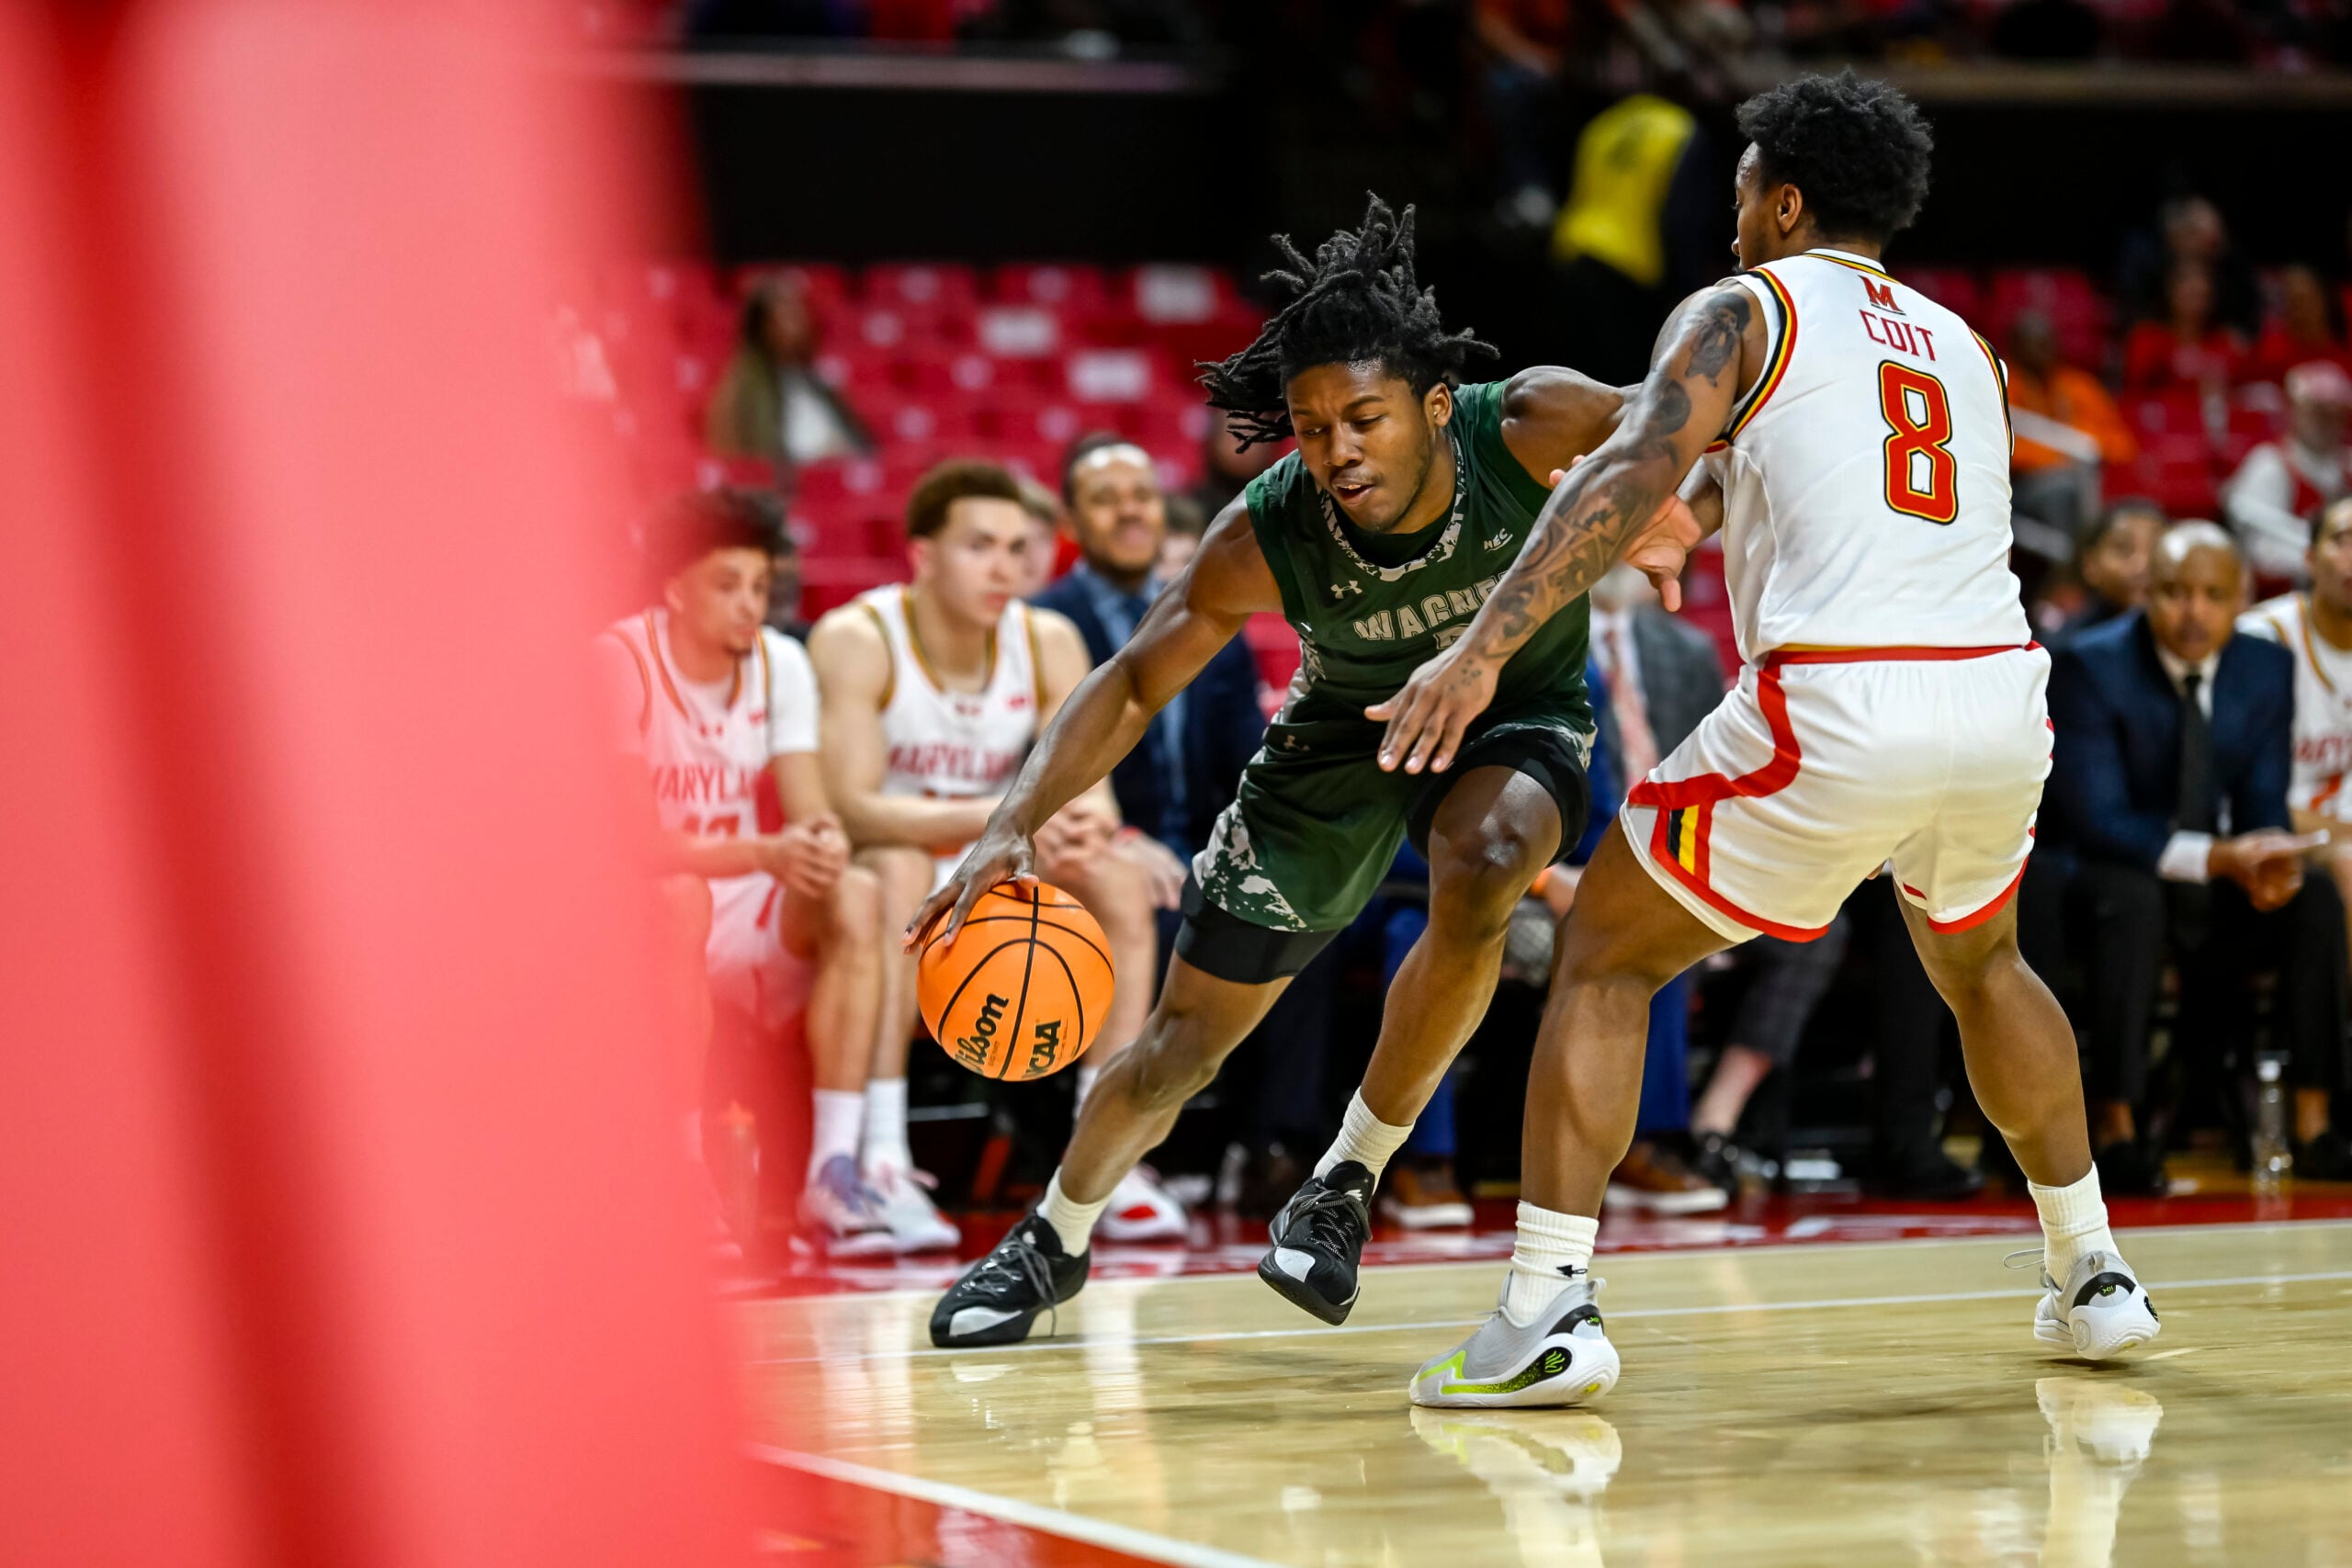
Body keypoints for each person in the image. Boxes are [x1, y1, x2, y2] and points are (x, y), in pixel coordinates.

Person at [1375, 72, 2164, 1408]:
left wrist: (1480, 645)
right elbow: (1822, 491)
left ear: (1784, 199)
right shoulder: (1963, 343)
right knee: (1984, 962)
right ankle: (2093, 1269)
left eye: (1738, 187)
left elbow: (1633, 464)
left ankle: (1546, 1303)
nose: (1727, 213)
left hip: (1844, 700)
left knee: (1606, 950)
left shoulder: (1744, 306)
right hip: (1995, 703)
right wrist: (1703, 511)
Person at [913, 196, 1700, 1348]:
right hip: (1343, 736)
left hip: (1515, 712)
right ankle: (1053, 1235)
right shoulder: (1267, 527)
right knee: (1183, 1048)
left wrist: (1680, 512)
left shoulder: (1530, 423)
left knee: (1485, 863)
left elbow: (1684, 430)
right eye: (1311, 424)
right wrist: (1011, 820)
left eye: (1365, 418)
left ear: (1436, 406)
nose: (1335, 450)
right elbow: (1133, 681)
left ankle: (1344, 1180)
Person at [805, 460, 1180, 1250]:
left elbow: (1092, 787)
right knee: (899, 875)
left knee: (1116, 881)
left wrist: (1087, 827)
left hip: (999, 866)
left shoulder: (1047, 639)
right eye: (979, 545)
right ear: (923, 555)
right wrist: (1007, 815)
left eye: (1017, 547)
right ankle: (877, 1157)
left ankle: (1104, 1152)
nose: (1004, 566)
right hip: (895, 866)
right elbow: (851, 806)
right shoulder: (857, 638)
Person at [596, 489, 890, 1255]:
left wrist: (820, 841)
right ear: (675, 588)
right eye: (727, 585)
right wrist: (766, 851)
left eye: (760, 587)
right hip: (641, 910)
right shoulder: (619, 658)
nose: (749, 605)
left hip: (748, 897)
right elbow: (636, 842)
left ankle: (835, 1166)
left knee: (856, 892)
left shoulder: (781, 661)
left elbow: (807, 804)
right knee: (677, 894)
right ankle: (684, 1172)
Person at [2039, 524, 2340, 1193]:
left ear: (2240, 600)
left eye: (2212, 595)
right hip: (2109, 875)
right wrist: (2219, 858)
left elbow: (2264, 796)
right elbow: (2098, 818)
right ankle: (2114, 1126)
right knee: (2133, 897)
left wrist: (2267, 859)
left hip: (2216, 876)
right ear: (2147, 594)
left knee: (2311, 894)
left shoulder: (2265, 666)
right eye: (2174, 592)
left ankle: (2316, 1120)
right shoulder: (2092, 663)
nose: (2192, 611)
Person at [1034, 435, 1267, 862]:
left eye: (1143, 495)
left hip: (1212, 854)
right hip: (1099, 854)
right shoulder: (1037, 624)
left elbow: (1248, 762)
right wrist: (1122, 844)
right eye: (1105, 499)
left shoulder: (1214, 612)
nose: (1129, 511)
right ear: (1069, 520)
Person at [1586, 564, 1729, 1212]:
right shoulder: (1535, 643)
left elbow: (1716, 773)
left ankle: (1720, 1122)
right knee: (1657, 931)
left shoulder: (1689, 650)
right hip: (1579, 858)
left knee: (1820, 932)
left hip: (1687, 851)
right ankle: (1646, 1143)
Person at [2233, 495, 2352, 1179]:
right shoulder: (2264, 637)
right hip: (2265, 841)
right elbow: (2237, 780)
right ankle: (2318, 1113)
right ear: (2308, 557)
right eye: (2343, 537)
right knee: (2335, 875)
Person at [706, 273, 872, 467]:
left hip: (835, 481)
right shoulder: (742, 392)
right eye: (787, 315)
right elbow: (747, 463)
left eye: (800, 312)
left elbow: (862, 446)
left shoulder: (818, 382)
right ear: (762, 327)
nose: (800, 322)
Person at [2007, 309, 2138, 536]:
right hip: (2021, 487)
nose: (2039, 350)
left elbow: (2122, 444)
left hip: (2086, 477)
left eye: (2045, 342)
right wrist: (2059, 457)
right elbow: (2006, 449)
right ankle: (2070, 566)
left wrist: (2081, 446)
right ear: (2016, 347)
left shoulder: (2080, 385)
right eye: (2030, 343)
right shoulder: (2003, 387)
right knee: (2064, 488)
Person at [2224, 360, 2352, 583]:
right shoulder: (2269, 464)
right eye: (2317, 411)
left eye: (2335, 413)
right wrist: (2327, 563)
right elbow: (2261, 551)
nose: (2326, 422)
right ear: (2295, 409)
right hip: (2287, 599)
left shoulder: (2348, 465)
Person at [2050, 499, 2166, 645]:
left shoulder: (2191, 643)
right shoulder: (2068, 649)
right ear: (2090, 565)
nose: (2141, 565)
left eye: (2155, 549)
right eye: (2124, 549)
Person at [2121, 261, 2246, 396]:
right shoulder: (2148, 338)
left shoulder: (2224, 341)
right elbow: (2135, 392)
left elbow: (2242, 390)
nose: (2198, 304)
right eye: (2191, 294)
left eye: (2203, 295)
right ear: (2171, 292)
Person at [2248, 265, 2352, 386]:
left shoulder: (2346, 344)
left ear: (2323, 300)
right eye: (2293, 304)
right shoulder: (2272, 351)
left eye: (2305, 301)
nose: (2301, 312)